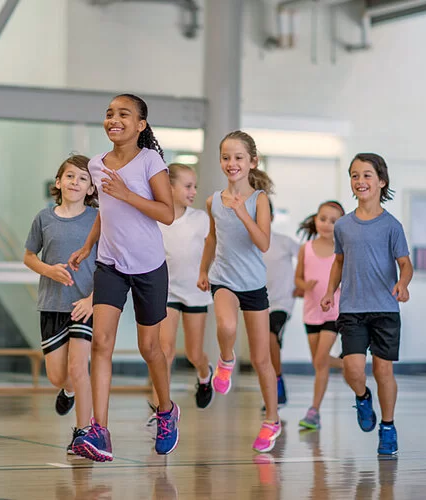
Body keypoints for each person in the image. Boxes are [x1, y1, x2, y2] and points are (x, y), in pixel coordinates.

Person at [68, 94, 179, 461]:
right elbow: (106, 211)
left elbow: (167, 213)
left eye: (123, 114)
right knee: (101, 342)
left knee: (151, 349)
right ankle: (99, 430)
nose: (114, 119)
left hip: (148, 266)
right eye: (109, 114)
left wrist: (128, 194)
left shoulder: (150, 161)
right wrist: (87, 246)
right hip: (110, 263)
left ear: (140, 125)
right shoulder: (97, 164)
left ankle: (166, 411)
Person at [320, 153, 412, 456]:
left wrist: (403, 283)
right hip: (352, 308)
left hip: (385, 308)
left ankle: (388, 426)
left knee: (384, 370)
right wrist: (329, 292)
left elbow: (405, 264)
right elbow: (339, 262)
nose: (360, 181)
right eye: (355, 175)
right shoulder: (343, 225)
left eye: (367, 175)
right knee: (353, 368)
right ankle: (362, 397)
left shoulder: (392, 225)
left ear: (381, 181)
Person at [197, 130, 281, 453]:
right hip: (224, 279)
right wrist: (204, 270)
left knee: (262, 360)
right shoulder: (212, 201)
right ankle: (226, 359)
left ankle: (271, 419)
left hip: (254, 285)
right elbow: (212, 240)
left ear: (252, 162)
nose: (232, 163)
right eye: (226, 157)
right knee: (226, 326)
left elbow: (263, 242)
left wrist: (242, 211)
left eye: (239, 158)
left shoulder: (260, 199)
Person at [23, 154, 98, 454]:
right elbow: (29, 256)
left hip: (84, 307)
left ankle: (83, 433)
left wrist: (93, 300)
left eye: (83, 178)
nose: (76, 182)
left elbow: (110, 264)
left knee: (79, 368)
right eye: (70, 176)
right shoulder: (44, 218)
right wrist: (48, 269)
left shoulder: (97, 220)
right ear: (58, 182)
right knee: (58, 375)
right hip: (52, 305)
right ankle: (67, 390)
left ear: (91, 188)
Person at [148, 163, 214, 420]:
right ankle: (160, 410)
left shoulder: (200, 220)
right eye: (188, 186)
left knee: (194, 353)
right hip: (168, 293)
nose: (193, 191)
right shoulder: (156, 220)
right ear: (170, 187)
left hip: (196, 292)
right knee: (163, 351)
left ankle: (204, 374)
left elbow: (212, 251)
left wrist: (206, 272)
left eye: (194, 186)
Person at [295, 201, 345, 430]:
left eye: (333, 221)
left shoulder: (342, 251)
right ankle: (345, 364)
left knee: (320, 359)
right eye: (323, 218)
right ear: (316, 219)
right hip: (311, 312)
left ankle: (314, 409)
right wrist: (305, 284)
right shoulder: (305, 248)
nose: (327, 224)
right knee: (319, 364)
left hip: (334, 313)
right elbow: (297, 279)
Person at [261, 199, 299, 412]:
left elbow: (307, 257)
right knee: (264, 347)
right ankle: (271, 392)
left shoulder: (284, 242)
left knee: (270, 337)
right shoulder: (251, 243)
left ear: (273, 217)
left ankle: (277, 383)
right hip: (259, 304)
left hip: (282, 302)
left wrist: (302, 284)